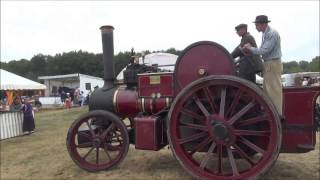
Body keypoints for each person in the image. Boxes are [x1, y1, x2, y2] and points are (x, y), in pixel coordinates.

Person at [243, 15, 283, 116]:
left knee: (273, 90)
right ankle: (272, 113)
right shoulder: (266, 34)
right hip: (269, 63)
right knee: (268, 89)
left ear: (263, 24)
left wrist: (250, 48)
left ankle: (276, 114)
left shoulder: (272, 34)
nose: (256, 27)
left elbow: (263, 50)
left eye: (256, 25)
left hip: (272, 63)